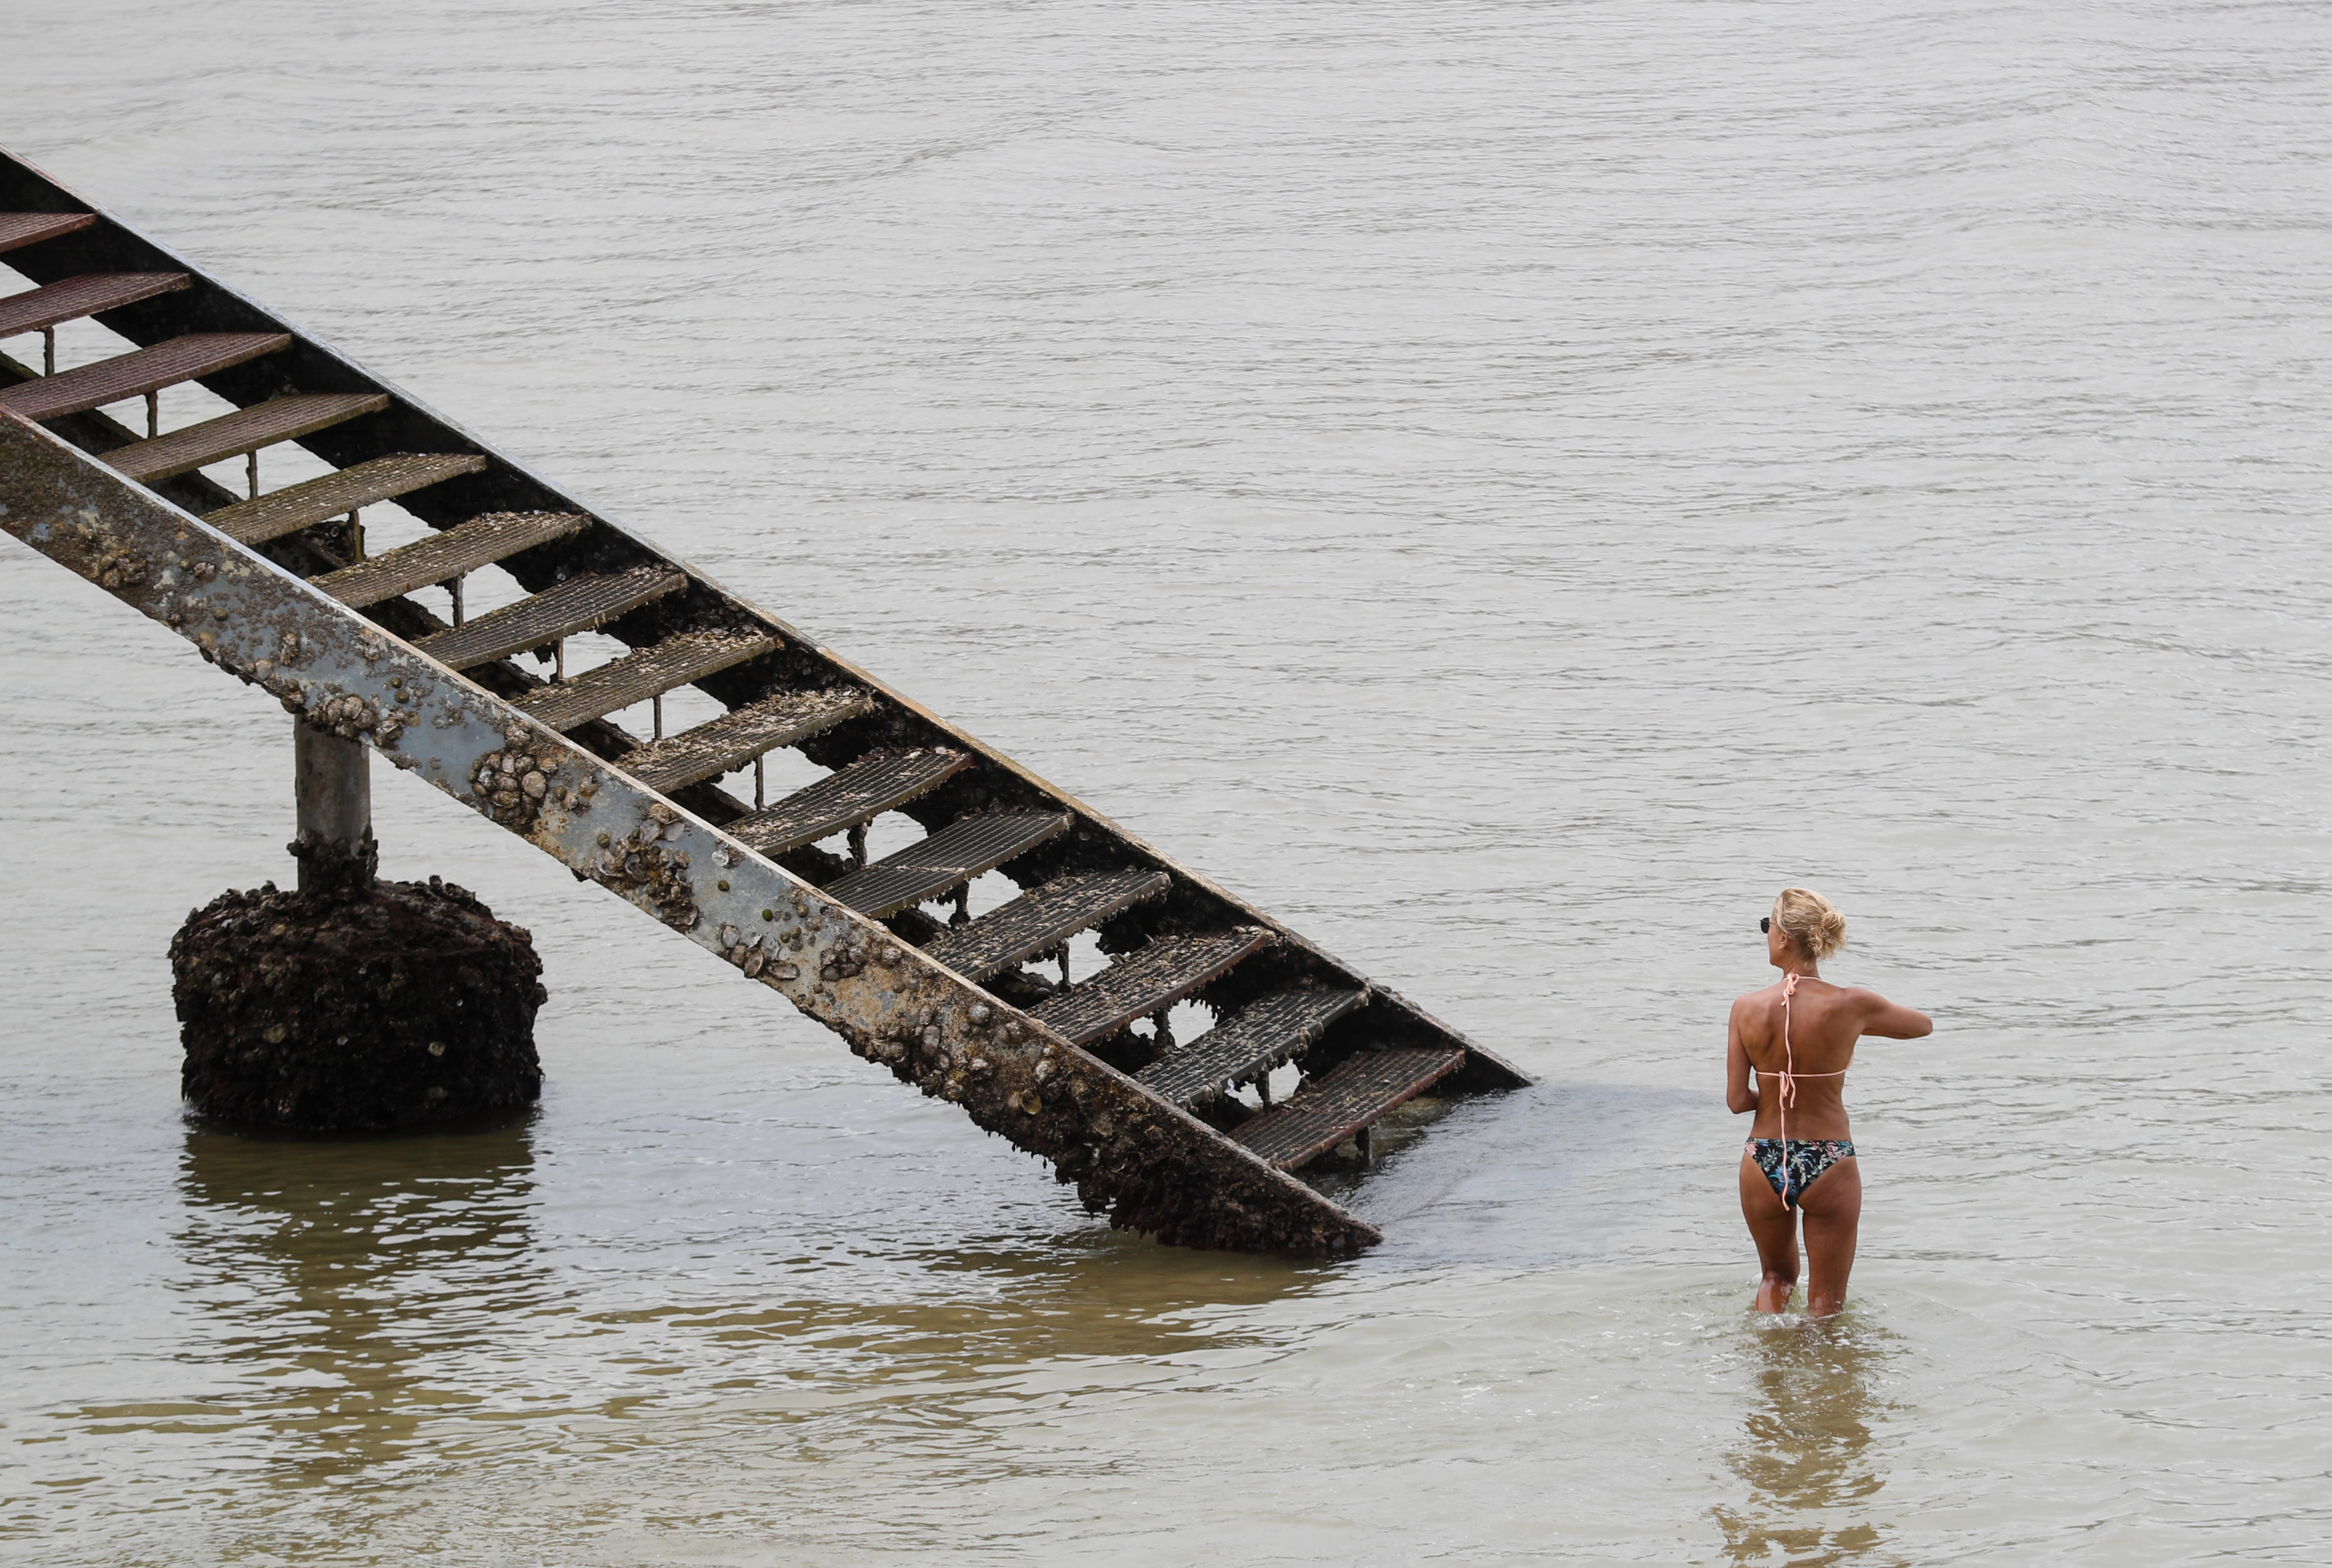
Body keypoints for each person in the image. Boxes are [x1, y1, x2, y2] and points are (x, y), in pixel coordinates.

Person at [1726, 888, 1931, 1317]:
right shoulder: (1850, 1004)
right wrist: (1850, 1029)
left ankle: (1769, 1373)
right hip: (1829, 1158)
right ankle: (1828, 1382)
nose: (1765, 935)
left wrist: (1777, 1084)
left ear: (1783, 937)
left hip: (1763, 1158)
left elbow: (1736, 1101)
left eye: (1768, 927)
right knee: (1825, 1302)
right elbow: (1921, 1027)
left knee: (1775, 1280)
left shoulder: (1745, 1008)